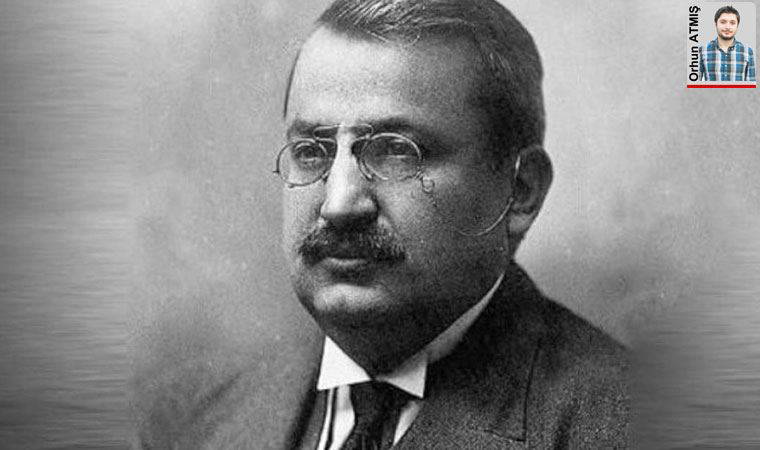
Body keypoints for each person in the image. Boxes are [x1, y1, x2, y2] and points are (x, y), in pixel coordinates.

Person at [134, 0, 629, 448]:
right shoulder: (189, 423)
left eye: (396, 151)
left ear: (519, 191)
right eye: (311, 151)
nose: (339, 204)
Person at [699, 5, 756, 82]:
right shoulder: (702, 50)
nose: (727, 27)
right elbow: (694, 84)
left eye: (732, 23)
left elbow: (751, 85)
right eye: (723, 22)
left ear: (737, 26)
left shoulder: (747, 51)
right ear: (716, 24)